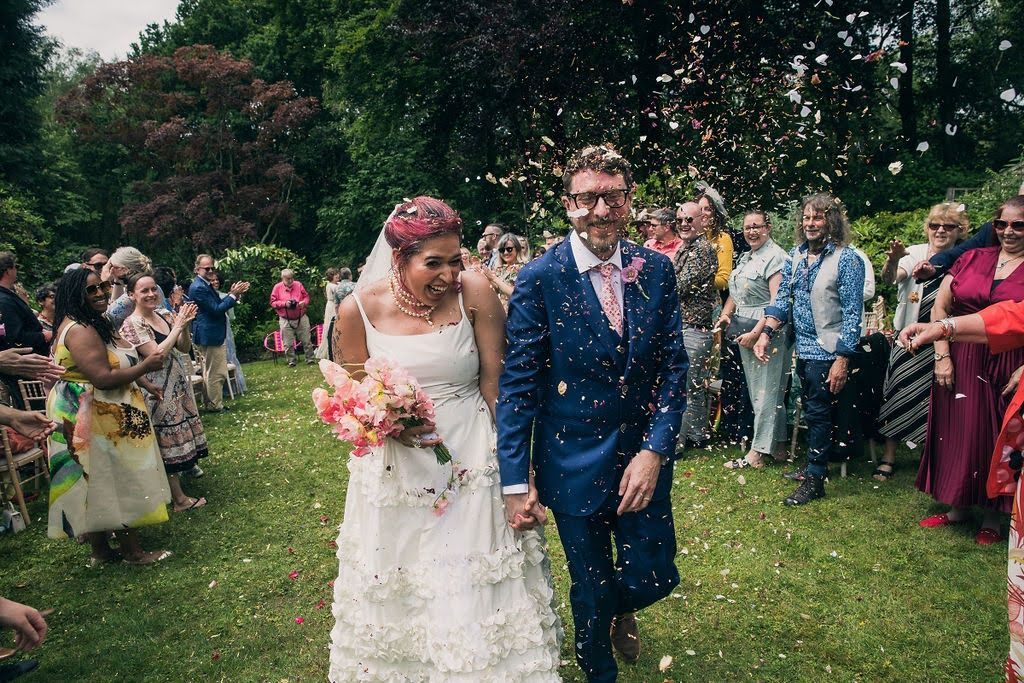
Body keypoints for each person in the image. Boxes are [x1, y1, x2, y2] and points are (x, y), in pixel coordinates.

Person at [328, 196, 560, 681]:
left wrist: (521, 472)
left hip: (473, 452)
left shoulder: (475, 291)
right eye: (433, 263)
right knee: (406, 573)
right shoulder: (357, 311)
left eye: (455, 260)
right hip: (398, 469)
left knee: (470, 571)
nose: (449, 275)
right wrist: (386, 420)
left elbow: (497, 385)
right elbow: (353, 395)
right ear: (399, 259)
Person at [498, 144, 687, 682]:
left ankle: (621, 608)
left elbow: (673, 368)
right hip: (571, 457)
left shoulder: (655, 269)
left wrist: (654, 450)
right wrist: (516, 479)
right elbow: (518, 384)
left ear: (630, 201)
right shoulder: (541, 277)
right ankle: (597, 665)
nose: (602, 210)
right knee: (591, 581)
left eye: (614, 197)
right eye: (588, 199)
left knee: (653, 575)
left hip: (642, 457)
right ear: (568, 205)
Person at [912, 195, 1024, 544]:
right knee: (957, 433)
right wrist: (941, 356)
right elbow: (941, 306)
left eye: (1018, 225)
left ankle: (993, 517)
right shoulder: (973, 257)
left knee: (997, 438)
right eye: (1002, 224)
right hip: (959, 358)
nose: (1009, 231)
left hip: (1007, 362)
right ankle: (957, 506)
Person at [46, 268, 172, 565]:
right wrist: (146, 367)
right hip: (91, 413)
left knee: (95, 480)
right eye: (92, 290)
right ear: (76, 295)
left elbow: (114, 358)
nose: (101, 293)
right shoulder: (79, 329)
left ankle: (101, 552)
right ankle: (133, 552)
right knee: (115, 477)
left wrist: (143, 383)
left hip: (94, 409)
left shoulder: (92, 322)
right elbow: (102, 377)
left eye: (103, 286)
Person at [754, 193, 865, 506]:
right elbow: (783, 301)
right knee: (813, 412)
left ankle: (815, 479)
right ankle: (813, 468)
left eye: (819, 217)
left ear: (832, 221)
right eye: (807, 217)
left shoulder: (847, 259)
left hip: (829, 352)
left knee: (818, 415)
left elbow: (854, 313)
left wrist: (843, 359)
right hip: (802, 350)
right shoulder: (795, 255)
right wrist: (766, 331)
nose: (811, 223)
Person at [874, 203, 967, 480]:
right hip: (909, 338)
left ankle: (932, 459)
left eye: (948, 227)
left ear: (959, 231)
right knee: (897, 393)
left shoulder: (964, 259)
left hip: (947, 341)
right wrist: (893, 260)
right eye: (934, 225)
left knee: (938, 399)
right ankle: (889, 456)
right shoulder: (913, 252)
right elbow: (891, 279)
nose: (940, 231)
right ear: (927, 228)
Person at [120, 274, 209, 512]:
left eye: (153, 289)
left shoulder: (164, 315)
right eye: (143, 291)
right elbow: (155, 356)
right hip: (155, 389)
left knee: (179, 433)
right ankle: (178, 500)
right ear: (131, 295)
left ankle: (182, 481)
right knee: (164, 439)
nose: (151, 294)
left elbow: (183, 348)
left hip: (178, 384)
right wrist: (178, 325)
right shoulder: (132, 323)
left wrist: (185, 326)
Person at [715, 210, 792, 468]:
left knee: (765, 391)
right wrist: (726, 315)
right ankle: (779, 447)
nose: (751, 231)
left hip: (767, 331)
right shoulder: (748, 256)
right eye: (747, 227)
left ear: (768, 227)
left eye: (756, 226)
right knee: (760, 390)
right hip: (743, 328)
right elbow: (736, 292)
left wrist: (758, 333)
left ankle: (757, 453)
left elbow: (776, 302)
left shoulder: (776, 257)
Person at [674, 200, 719, 450]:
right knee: (693, 385)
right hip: (690, 327)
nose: (683, 224)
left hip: (693, 327)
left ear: (703, 221)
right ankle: (698, 435)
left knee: (684, 384)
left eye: (689, 220)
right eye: (679, 220)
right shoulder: (686, 247)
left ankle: (678, 442)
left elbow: (680, 285)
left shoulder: (702, 249)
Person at [188, 254, 249, 413]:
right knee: (216, 372)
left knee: (212, 371)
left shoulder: (204, 284)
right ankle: (216, 405)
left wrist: (231, 294)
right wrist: (233, 295)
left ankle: (212, 403)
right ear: (197, 269)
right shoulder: (199, 287)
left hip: (210, 333)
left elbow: (218, 304)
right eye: (206, 268)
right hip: (209, 334)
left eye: (212, 268)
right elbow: (216, 309)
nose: (210, 271)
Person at [0, 252, 49, 407]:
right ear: (8, 270)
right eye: (15, 267)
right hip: (22, 369)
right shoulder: (4, 300)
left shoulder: (8, 296)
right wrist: (44, 336)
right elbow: (14, 337)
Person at [209, 270, 247, 394]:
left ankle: (235, 385)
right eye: (212, 280)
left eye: (216, 280)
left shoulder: (225, 295)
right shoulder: (209, 297)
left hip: (225, 327)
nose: (215, 282)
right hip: (214, 328)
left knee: (230, 354)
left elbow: (231, 316)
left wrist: (234, 295)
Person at [103, 246, 156, 330]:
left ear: (124, 269)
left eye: (112, 266)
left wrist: (103, 282)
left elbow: (106, 319)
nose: (110, 269)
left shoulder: (131, 297)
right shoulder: (154, 287)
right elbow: (116, 302)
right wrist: (117, 279)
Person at [270, 268, 313, 367]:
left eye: (291, 278)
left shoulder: (298, 284)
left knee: (307, 340)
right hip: (285, 319)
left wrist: (304, 303)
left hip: (301, 317)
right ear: (282, 278)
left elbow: (306, 297)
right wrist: (285, 304)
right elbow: (273, 302)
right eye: (287, 279)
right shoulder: (277, 287)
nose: (290, 281)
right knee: (288, 343)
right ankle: (291, 361)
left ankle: (310, 359)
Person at [478, 233, 523, 310]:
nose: (505, 253)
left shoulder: (523, 268)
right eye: (502, 250)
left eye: (509, 249)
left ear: (517, 249)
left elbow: (515, 294)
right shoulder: (500, 269)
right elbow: (496, 290)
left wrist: (494, 278)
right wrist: (485, 276)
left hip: (516, 313)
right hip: (501, 313)